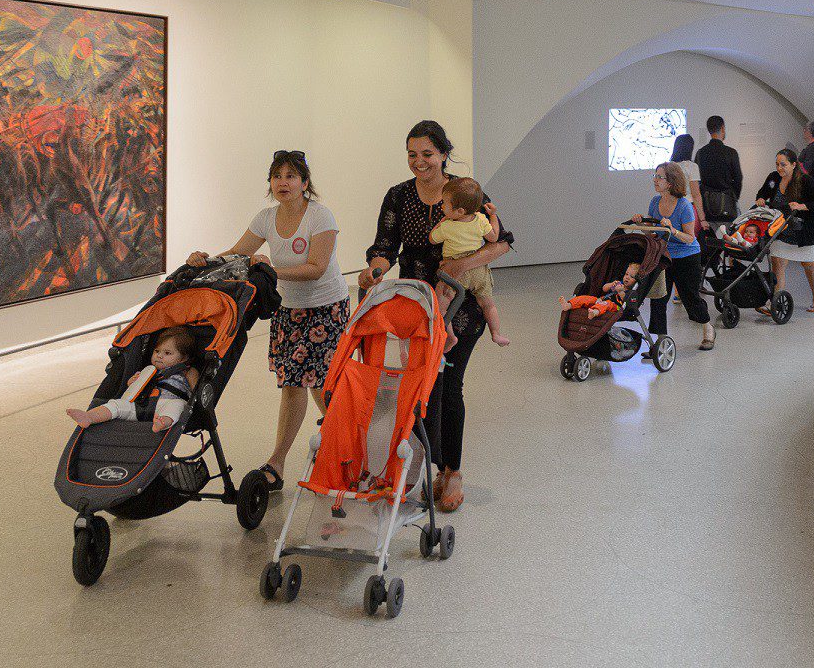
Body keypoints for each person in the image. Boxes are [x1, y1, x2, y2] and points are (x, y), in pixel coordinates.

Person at [362, 121, 513, 513]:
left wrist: (464, 265)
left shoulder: (466, 191)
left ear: (444, 154)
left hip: (460, 299)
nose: (419, 162)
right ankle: (421, 464)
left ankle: (452, 470)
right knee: (420, 385)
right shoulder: (398, 196)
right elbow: (384, 245)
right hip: (416, 302)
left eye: (427, 154)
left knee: (450, 381)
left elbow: (503, 242)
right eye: (412, 154)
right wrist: (376, 271)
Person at [188, 149, 350, 491]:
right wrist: (205, 261)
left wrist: (270, 271)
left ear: (305, 183)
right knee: (310, 382)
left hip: (326, 308)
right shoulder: (265, 217)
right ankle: (341, 437)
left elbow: (317, 268)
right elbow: (238, 252)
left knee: (301, 381)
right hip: (287, 310)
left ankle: (278, 462)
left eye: (291, 176)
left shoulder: (321, 217)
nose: (283, 182)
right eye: (277, 177)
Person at [66, 326, 198, 433]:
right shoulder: (148, 370)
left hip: (168, 403)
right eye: (157, 351)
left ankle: (162, 423)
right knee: (116, 404)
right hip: (140, 405)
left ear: (183, 358)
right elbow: (132, 390)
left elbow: (197, 390)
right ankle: (89, 417)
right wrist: (132, 382)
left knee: (178, 406)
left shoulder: (187, 371)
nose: (159, 356)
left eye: (167, 353)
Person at [429, 177, 509, 347]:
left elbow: (432, 239)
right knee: (488, 304)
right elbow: (494, 237)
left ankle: (450, 337)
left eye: (444, 203)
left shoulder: (448, 226)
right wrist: (492, 215)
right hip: (478, 269)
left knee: (441, 304)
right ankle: (496, 334)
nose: (441, 206)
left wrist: (440, 223)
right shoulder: (480, 220)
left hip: (454, 271)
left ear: (459, 211)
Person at [644, 161, 714, 350]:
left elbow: (690, 238)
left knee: (690, 297)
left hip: (687, 256)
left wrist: (672, 230)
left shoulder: (684, 205)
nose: (655, 180)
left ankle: (707, 327)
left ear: (671, 182)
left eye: (660, 177)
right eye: (655, 176)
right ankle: (660, 341)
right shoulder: (654, 202)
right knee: (658, 298)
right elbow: (652, 232)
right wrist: (641, 224)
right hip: (664, 256)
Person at [755, 148, 814, 314]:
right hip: (782, 230)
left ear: (794, 165)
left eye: (783, 164)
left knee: (808, 264)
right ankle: (775, 301)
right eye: (777, 164)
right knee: (777, 264)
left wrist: (803, 206)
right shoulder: (773, 178)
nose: (780, 168)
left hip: (804, 231)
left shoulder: (804, 180)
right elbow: (762, 192)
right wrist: (760, 199)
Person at [695, 115, 743, 225]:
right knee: (730, 239)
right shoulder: (731, 152)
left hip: (706, 205)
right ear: (722, 128)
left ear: (709, 130)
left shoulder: (700, 153)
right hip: (727, 202)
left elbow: (697, 180)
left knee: (708, 240)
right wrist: (734, 196)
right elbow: (738, 179)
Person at [560, 262, 642, 319]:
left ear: (636, 280)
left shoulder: (631, 292)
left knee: (605, 304)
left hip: (614, 306)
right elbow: (604, 289)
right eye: (626, 274)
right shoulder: (619, 284)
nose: (627, 277)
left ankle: (594, 312)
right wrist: (611, 285)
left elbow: (627, 302)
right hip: (602, 299)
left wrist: (620, 292)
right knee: (584, 298)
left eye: (631, 277)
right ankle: (569, 305)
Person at [669, 134, 708, 231]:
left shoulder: (668, 167)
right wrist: (702, 219)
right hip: (688, 208)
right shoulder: (692, 166)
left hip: (671, 208)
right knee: (689, 241)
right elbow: (695, 195)